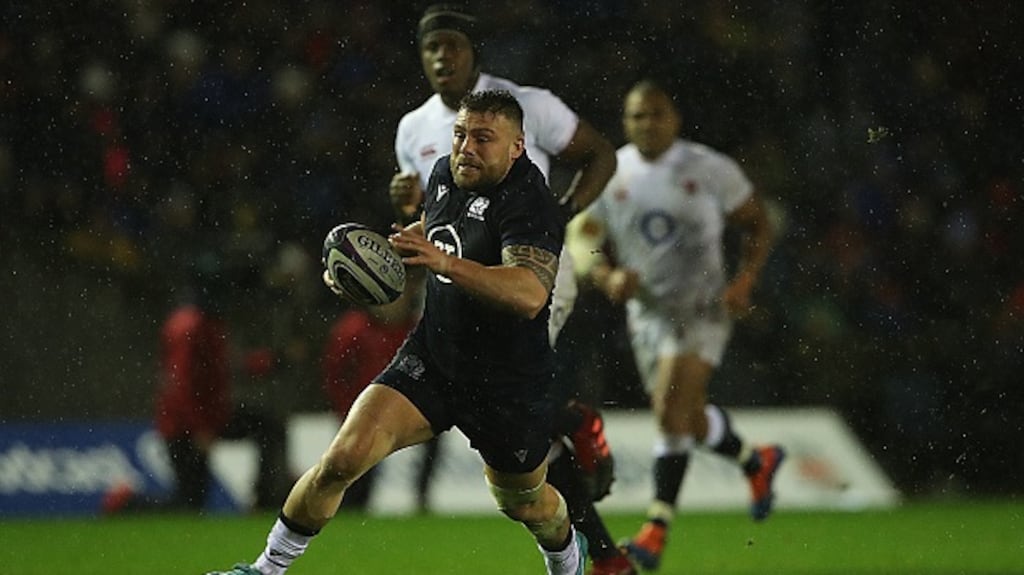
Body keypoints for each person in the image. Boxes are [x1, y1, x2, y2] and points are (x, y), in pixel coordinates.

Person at [207, 90, 588, 575]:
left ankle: (568, 557)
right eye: (460, 134)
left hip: (507, 382)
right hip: (435, 356)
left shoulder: (530, 202)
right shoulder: (446, 175)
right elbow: (436, 239)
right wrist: (366, 271)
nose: (466, 147)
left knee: (525, 504)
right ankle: (264, 570)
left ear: (518, 146)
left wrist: (445, 261)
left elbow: (529, 292)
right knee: (342, 460)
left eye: (483, 138)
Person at [389, 6, 633, 574]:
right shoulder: (412, 129)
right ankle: (604, 550)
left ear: (474, 52)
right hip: (459, 287)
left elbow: (601, 153)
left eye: (453, 45)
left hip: (527, 277)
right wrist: (408, 208)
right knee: (511, 425)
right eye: (431, 49)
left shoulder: (529, 106)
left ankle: (595, 528)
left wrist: (562, 216)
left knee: (507, 402)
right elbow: (440, 213)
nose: (442, 57)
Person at [566, 80, 785, 572]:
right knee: (684, 414)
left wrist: (746, 278)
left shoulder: (709, 168)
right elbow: (584, 239)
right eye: (637, 116)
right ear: (625, 122)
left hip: (703, 309)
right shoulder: (611, 170)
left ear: (675, 118)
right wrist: (606, 274)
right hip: (647, 314)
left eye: (657, 114)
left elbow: (759, 222)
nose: (647, 124)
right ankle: (756, 459)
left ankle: (655, 529)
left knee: (669, 410)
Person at [103, 252, 290, 514]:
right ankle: (125, 504)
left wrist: (267, 362)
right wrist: (200, 429)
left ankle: (265, 499)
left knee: (268, 428)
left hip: (207, 417)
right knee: (189, 503)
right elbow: (183, 385)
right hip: (185, 426)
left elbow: (223, 366)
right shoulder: (192, 328)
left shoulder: (202, 323)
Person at [321, 288, 422, 511]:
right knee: (356, 465)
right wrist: (346, 410)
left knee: (432, 443)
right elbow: (335, 375)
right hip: (365, 411)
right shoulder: (353, 330)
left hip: (410, 409)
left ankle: (421, 499)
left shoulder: (415, 328)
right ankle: (352, 507)